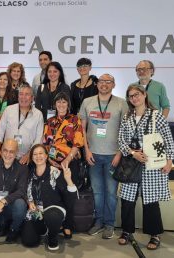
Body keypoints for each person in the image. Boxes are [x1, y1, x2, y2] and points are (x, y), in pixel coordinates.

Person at [117, 85, 174, 250]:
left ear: (144, 95)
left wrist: (170, 161)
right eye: (130, 96)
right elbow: (121, 140)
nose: (134, 98)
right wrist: (132, 153)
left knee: (150, 201)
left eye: (137, 94)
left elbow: (168, 139)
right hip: (131, 164)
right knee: (127, 200)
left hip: (152, 166)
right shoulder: (127, 117)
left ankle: (154, 234)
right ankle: (127, 231)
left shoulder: (157, 116)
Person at [79, 74, 128, 239]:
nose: (104, 84)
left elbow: (126, 131)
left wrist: (120, 153)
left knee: (111, 192)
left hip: (113, 156)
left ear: (113, 84)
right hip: (93, 155)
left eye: (108, 82)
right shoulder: (88, 102)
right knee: (97, 192)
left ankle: (109, 224)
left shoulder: (122, 103)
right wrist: (86, 150)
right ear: (97, 84)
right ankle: (98, 222)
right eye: (101, 81)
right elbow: (82, 129)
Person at [20, 144, 77, 251]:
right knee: (29, 241)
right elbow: (24, 192)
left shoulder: (54, 172)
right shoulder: (29, 173)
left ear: (46, 156)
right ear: (31, 157)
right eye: (35, 154)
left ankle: (52, 237)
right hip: (36, 210)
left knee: (52, 216)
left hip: (54, 207)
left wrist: (68, 180)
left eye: (41, 153)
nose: (38, 156)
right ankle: (44, 229)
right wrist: (29, 202)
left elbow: (71, 197)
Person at [43, 92, 83, 238]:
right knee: (56, 193)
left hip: (70, 162)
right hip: (53, 163)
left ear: (68, 104)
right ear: (55, 105)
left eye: (64, 102)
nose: (61, 105)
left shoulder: (75, 120)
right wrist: (49, 159)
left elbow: (78, 143)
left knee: (69, 193)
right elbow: (46, 143)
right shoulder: (50, 121)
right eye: (58, 102)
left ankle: (68, 224)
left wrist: (68, 159)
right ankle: (58, 220)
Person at [0, 85, 44, 165]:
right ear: (18, 96)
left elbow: (39, 138)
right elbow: (0, 131)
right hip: (6, 155)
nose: (23, 97)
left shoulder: (38, 115)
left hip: (25, 158)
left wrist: (29, 155)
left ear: (32, 98)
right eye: (21, 94)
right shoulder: (8, 110)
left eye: (27, 94)